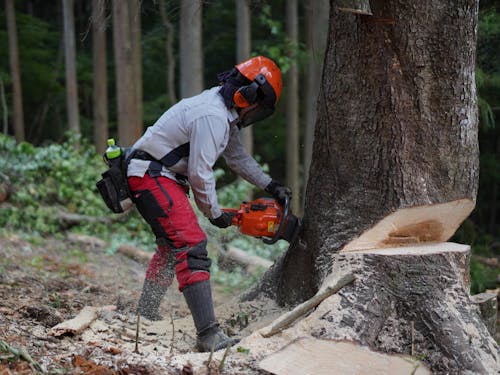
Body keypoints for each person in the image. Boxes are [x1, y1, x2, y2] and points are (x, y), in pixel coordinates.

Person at [126, 55, 291, 352]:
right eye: (258, 105)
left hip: (160, 175)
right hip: (151, 174)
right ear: (249, 96)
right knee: (191, 243)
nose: (254, 112)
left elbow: (237, 158)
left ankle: (145, 312)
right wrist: (214, 214)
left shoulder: (223, 114)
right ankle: (208, 335)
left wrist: (271, 185)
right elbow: (200, 173)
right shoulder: (212, 116)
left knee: (171, 244)